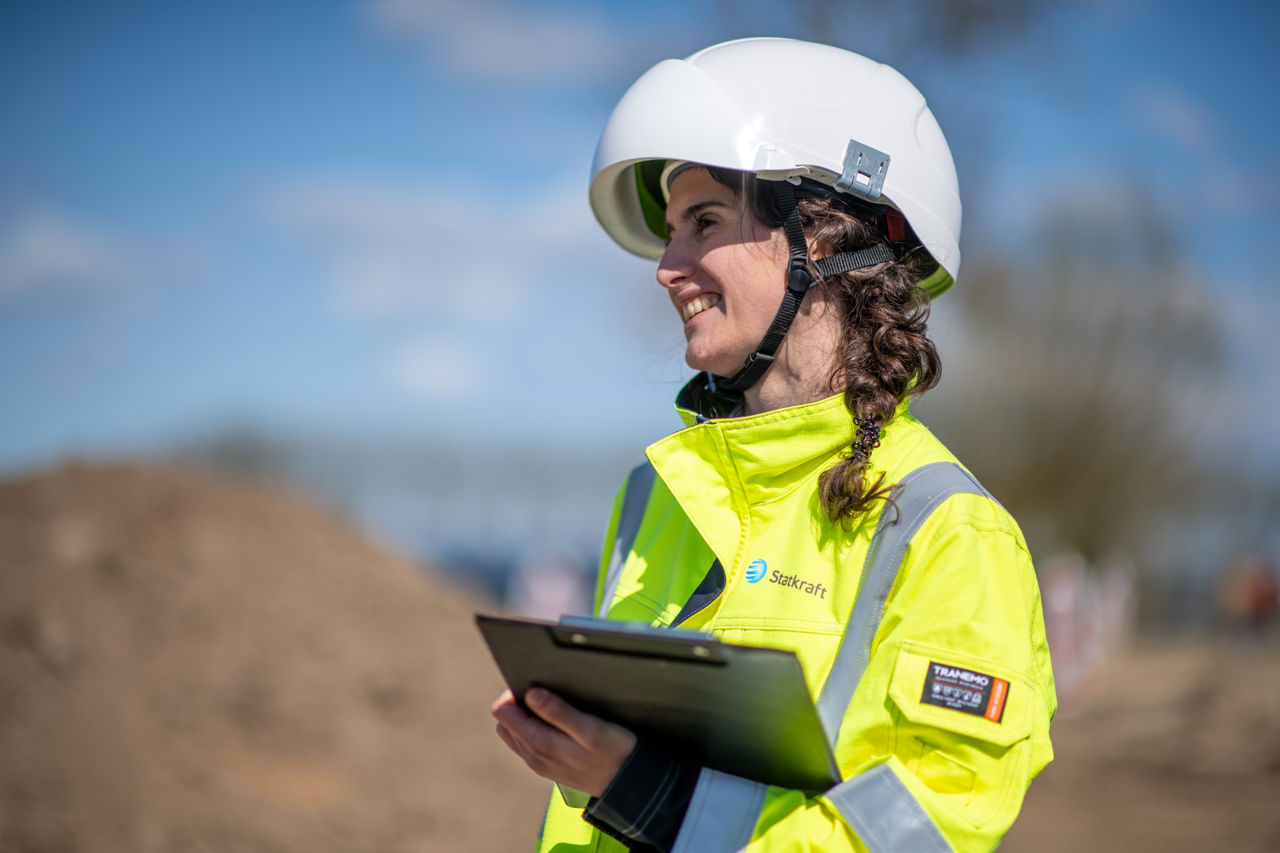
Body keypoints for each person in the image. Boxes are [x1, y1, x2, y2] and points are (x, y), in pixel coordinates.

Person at [491, 37, 1056, 852]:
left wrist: (643, 793)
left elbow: (919, 835)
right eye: (669, 231)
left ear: (823, 237)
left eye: (704, 222)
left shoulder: (949, 532)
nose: (666, 267)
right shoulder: (656, 493)